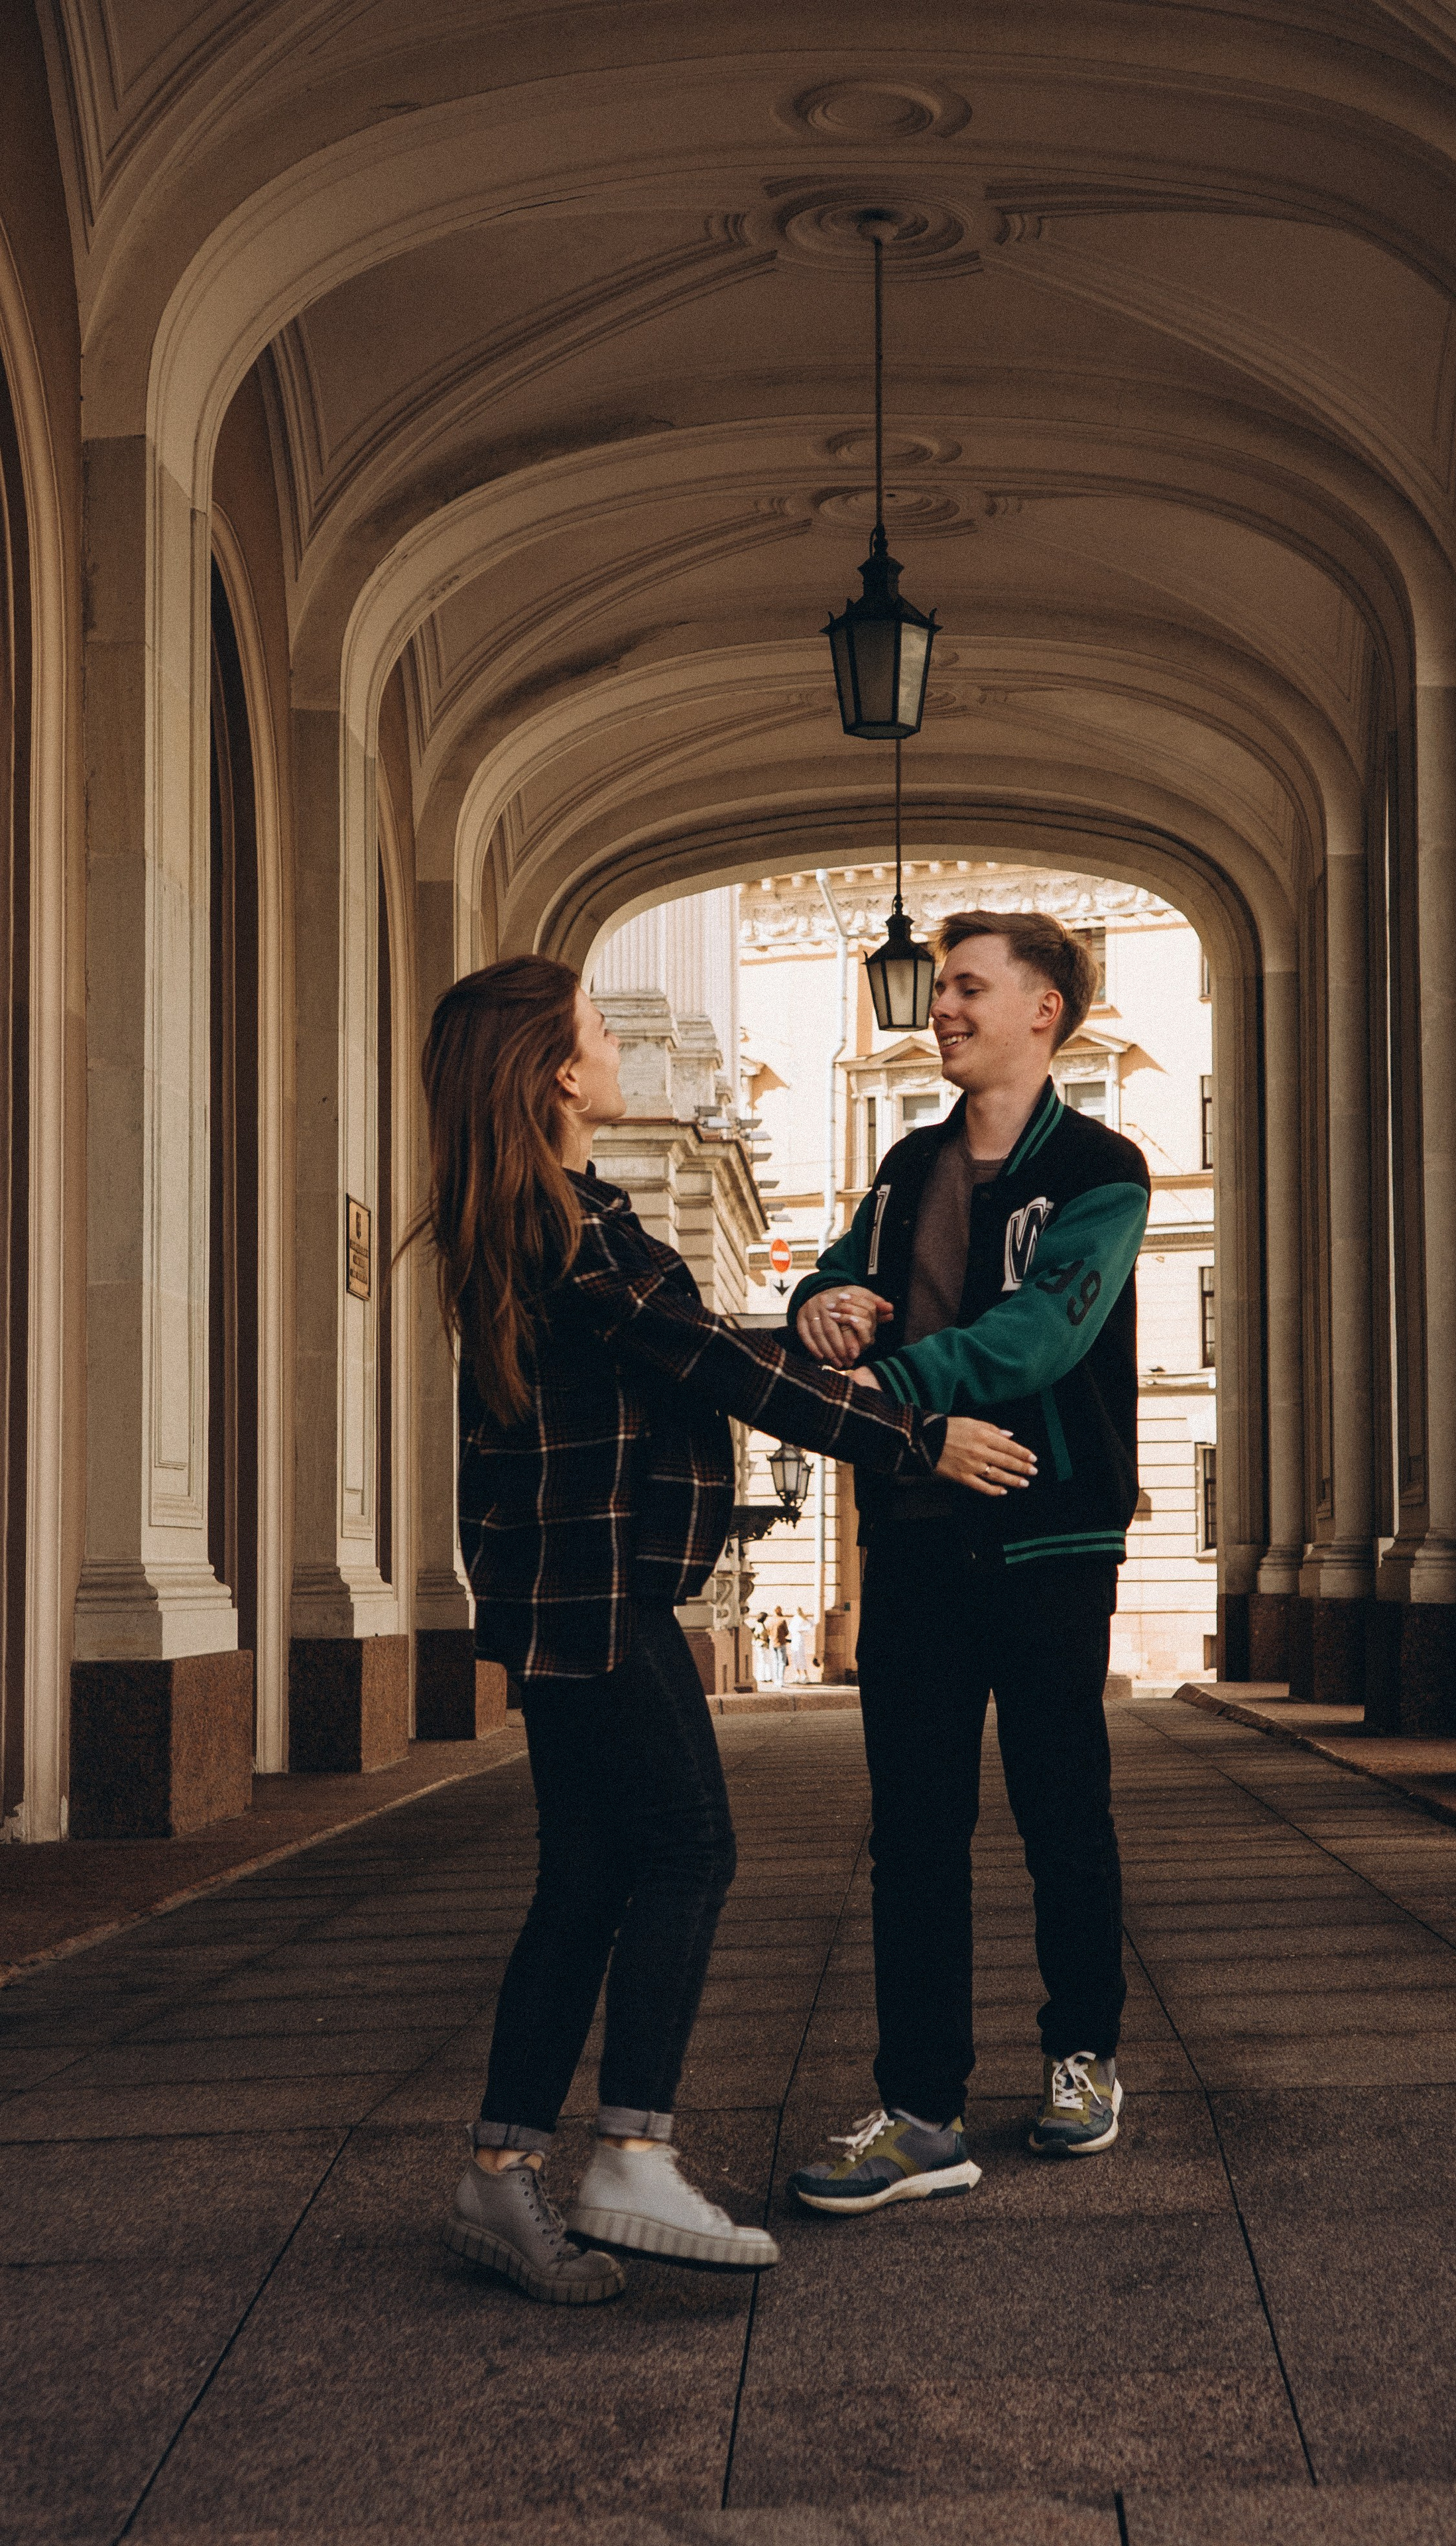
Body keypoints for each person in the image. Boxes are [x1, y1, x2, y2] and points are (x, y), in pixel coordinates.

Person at [411, 954, 1036, 2303]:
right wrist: (917, 1437)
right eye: (592, 1025)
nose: (611, 1042)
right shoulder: (563, 1231)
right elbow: (711, 1364)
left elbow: (701, 1343)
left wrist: (811, 1330)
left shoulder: (550, 1221)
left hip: (563, 1598)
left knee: (584, 1878)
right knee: (691, 1845)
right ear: (562, 1073)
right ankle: (631, 2151)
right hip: (594, 1602)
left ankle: (499, 2175)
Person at [784, 911, 1150, 2213]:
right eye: (937, 989)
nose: (937, 1007)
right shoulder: (903, 1168)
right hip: (918, 1538)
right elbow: (829, 1284)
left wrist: (883, 1393)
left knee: (1062, 1807)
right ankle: (919, 2109)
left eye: (964, 989)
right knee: (915, 1829)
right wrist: (815, 1307)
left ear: (1043, 1010)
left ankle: (1080, 2055)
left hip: (1048, 1537)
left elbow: (1033, 1342)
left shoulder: (1102, 1168)